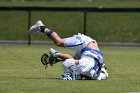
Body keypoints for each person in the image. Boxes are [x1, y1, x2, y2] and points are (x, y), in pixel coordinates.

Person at [29, 20, 109, 80]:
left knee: (73, 60)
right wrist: (67, 75)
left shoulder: (96, 73)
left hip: (88, 52)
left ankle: (55, 54)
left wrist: (57, 55)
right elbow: (69, 63)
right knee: (59, 42)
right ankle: (41, 27)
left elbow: (71, 61)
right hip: (86, 43)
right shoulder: (87, 68)